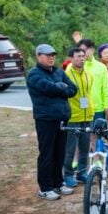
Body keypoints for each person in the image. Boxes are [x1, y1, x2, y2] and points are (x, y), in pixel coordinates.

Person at [27, 44, 77, 200]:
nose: (51, 57)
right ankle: (45, 187)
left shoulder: (58, 72)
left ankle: (58, 183)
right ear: (38, 56)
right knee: (47, 154)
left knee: (59, 152)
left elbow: (73, 89)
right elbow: (47, 88)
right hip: (45, 119)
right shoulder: (34, 74)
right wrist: (60, 88)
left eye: (53, 55)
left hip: (62, 118)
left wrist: (59, 87)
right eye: (47, 55)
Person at [62, 46, 95, 188]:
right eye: (78, 56)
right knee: (70, 149)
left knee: (85, 147)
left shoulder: (88, 73)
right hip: (73, 116)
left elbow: (88, 93)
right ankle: (68, 174)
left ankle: (82, 172)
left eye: (83, 56)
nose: (82, 58)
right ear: (70, 58)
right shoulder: (66, 74)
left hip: (87, 115)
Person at [77, 38, 108, 129]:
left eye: (84, 50)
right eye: (80, 51)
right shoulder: (75, 66)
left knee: (97, 136)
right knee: (83, 137)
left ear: (92, 50)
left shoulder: (101, 67)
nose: (82, 53)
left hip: (98, 108)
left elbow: (106, 87)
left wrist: (107, 104)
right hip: (81, 109)